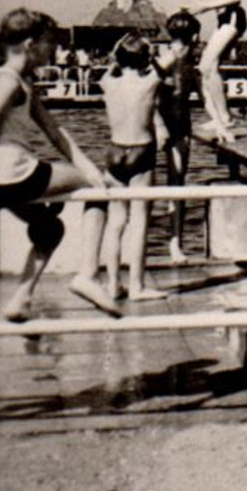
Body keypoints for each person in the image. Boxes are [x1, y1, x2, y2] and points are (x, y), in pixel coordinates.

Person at [0, 9, 120, 320]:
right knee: (96, 189)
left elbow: (56, 133)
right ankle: (87, 275)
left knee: (50, 229)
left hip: (2, 179)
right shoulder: (5, 83)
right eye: (49, 42)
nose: (54, 50)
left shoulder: (20, 83)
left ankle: (21, 299)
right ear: (30, 44)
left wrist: (88, 166)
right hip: (13, 175)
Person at [89, 34, 167, 303]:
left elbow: (113, 63)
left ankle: (112, 284)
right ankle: (137, 286)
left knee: (116, 223)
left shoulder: (107, 82)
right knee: (140, 222)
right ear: (145, 59)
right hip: (141, 151)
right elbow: (163, 62)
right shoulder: (150, 81)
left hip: (114, 152)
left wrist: (117, 52)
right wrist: (150, 52)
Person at [179, 0, 245, 142]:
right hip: (222, 20)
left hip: (234, 17)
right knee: (205, 69)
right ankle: (222, 115)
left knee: (208, 65)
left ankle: (225, 118)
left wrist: (205, 7)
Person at [156, 11, 201, 264]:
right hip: (159, 126)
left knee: (177, 184)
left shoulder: (190, 62)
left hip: (180, 126)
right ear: (195, 37)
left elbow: (202, 93)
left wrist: (219, 122)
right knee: (151, 186)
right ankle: (168, 245)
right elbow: (145, 91)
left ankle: (175, 245)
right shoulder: (166, 59)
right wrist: (158, 124)